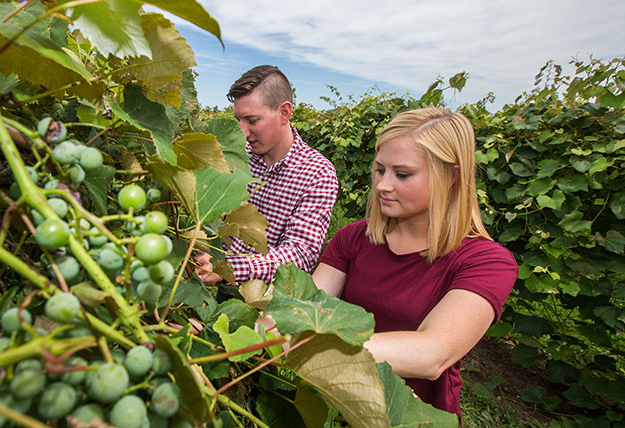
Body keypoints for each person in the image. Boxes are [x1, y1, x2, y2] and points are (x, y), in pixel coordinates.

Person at [312, 107, 517, 418]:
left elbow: (431, 354)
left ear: (452, 176)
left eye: (402, 174)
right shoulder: (354, 238)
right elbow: (308, 303)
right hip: (346, 406)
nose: (382, 185)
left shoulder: (486, 262)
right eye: (380, 170)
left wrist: (307, 348)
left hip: (415, 417)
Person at [196, 65, 338, 285]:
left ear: (284, 112)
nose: (243, 131)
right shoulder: (235, 155)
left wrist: (228, 268)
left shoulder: (318, 173)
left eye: (252, 121)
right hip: (218, 282)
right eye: (239, 121)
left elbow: (300, 254)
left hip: (267, 302)